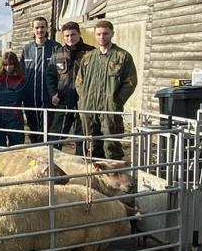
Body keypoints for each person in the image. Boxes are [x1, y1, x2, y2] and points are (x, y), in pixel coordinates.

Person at [75, 20, 137, 160]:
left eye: (105, 34)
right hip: (89, 109)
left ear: (112, 34)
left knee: (111, 144)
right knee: (90, 143)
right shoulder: (88, 57)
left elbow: (130, 82)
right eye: (98, 34)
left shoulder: (122, 56)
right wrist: (83, 99)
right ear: (95, 35)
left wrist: (116, 101)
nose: (102, 37)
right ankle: (94, 177)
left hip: (109, 108)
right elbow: (79, 82)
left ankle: (114, 176)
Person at [46, 21, 95, 153]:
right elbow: (50, 76)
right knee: (56, 136)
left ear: (79, 34)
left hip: (83, 102)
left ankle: (80, 166)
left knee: (82, 137)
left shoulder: (91, 53)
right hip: (63, 100)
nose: (70, 38)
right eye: (66, 36)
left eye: (73, 35)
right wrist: (53, 94)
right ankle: (53, 166)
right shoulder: (58, 53)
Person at [20, 16, 59, 143]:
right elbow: (20, 73)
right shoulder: (27, 49)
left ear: (47, 28)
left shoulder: (56, 48)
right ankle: (36, 157)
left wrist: (56, 93)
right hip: (30, 98)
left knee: (49, 131)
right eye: (37, 27)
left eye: (42, 27)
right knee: (33, 130)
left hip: (50, 98)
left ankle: (49, 158)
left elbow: (62, 73)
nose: (40, 30)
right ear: (33, 30)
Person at [0, 52, 27, 148]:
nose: (8, 67)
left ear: (15, 64)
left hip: (14, 116)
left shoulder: (21, 78)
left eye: (11, 64)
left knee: (16, 146)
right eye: (5, 64)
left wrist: (0, 94)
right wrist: (8, 95)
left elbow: (16, 96)